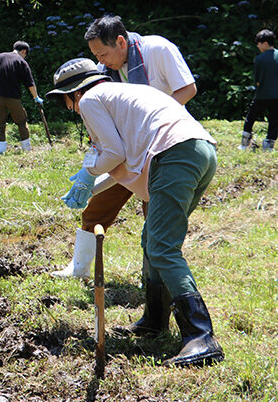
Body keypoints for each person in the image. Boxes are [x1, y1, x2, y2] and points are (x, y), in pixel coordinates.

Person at [46, 57, 224, 368]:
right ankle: (155, 320)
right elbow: (121, 162)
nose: (70, 109)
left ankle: (201, 335)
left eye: (64, 102)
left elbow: (112, 153)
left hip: (176, 155)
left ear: (74, 92)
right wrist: (88, 187)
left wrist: (87, 173)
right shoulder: (121, 95)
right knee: (151, 238)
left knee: (162, 247)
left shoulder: (90, 99)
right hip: (199, 152)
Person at [52, 15, 198, 284]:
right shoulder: (102, 71)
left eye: (104, 53)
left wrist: (149, 127)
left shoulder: (157, 49)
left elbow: (187, 89)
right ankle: (80, 266)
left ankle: (152, 278)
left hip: (161, 149)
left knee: (153, 218)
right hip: (121, 149)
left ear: (121, 41)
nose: (101, 61)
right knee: (96, 208)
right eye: (96, 55)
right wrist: (90, 180)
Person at [0, 41, 43, 154]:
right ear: (24, 51)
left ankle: (1, 151)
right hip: (13, 98)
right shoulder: (22, 62)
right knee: (21, 122)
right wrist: (36, 97)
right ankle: (27, 149)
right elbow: (30, 83)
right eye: (25, 54)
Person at [239, 29, 277, 151]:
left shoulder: (260, 58)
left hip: (262, 95)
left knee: (251, 118)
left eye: (259, 43)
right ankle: (268, 147)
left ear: (265, 43)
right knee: (274, 122)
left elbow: (257, 80)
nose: (257, 46)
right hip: (277, 96)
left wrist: (258, 85)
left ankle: (244, 144)